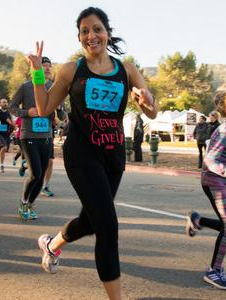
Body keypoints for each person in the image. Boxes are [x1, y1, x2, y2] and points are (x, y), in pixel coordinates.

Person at [27, 7, 157, 299]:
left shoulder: (127, 70)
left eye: (96, 29)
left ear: (107, 32)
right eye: (84, 31)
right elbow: (45, 108)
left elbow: (151, 112)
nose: (91, 35)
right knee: (108, 228)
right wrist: (37, 72)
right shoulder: (72, 70)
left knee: (90, 221)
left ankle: (51, 245)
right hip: (82, 154)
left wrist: (146, 99)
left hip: (113, 155)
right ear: (80, 37)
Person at [186, 90, 226, 290]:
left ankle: (198, 220)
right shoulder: (224, 131)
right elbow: (209, 160)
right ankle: (214, 271)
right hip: (214, 181)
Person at [10, 56, 55, 220]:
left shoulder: (54, 87)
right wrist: (27, 113)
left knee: (42, 175)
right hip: (28, 135)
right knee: (35, 174)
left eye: (50, 66)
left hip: (46, 137)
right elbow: (12, 107)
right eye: (44, 66)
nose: (48, 68)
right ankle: (23, 202)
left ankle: (30, 204)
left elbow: (61, 110)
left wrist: (61, 113)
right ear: (36, 69)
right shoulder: (26, 87)